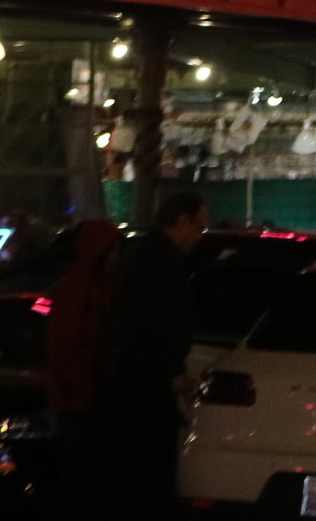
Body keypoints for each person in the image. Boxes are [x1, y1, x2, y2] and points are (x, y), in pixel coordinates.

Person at [102, 189, 210, 517]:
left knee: (139, 472)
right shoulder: (159, 260)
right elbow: (155, 321)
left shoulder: (143, 253)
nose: (201, 235)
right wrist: (175, 370)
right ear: (181, 221)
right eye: (199, 227)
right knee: (151, 472)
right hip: (145, 382)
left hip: (134, 378)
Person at [43, 219, 121, 515]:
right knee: (84, 484)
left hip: (90, 398)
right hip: (79, 402)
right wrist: (87, 387)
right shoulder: (78, 292)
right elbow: (65, 350)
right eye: (113, 250)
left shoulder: (99, 288)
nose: (117, 256)